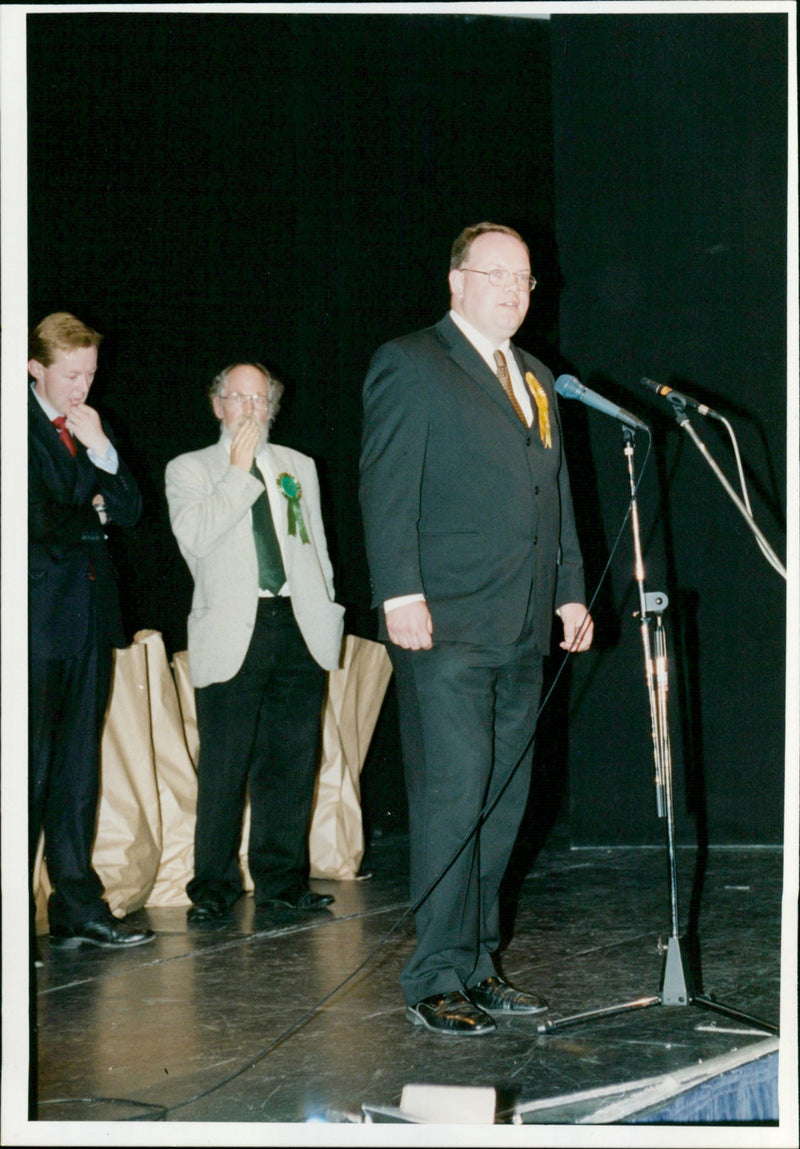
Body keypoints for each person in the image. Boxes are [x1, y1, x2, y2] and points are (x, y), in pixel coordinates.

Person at [359, 222, 594, 1035]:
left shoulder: (537, 376)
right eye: (496, 274)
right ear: (456, 280)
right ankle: (433, 974)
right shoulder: (412, 361)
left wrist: (569, 591)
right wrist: (399, 594)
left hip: (522, 622)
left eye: (524, 278)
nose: (513, 290)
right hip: (446, 624)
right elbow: (388, 486)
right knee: (453, 800)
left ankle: (478, 964)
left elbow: (553, 495)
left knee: (501, 802)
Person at [165, 362, 345, 924]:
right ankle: (213, 886)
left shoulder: (298, 466)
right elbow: (196, 538)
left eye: (260, 399)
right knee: (225, 765)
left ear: (273, 407)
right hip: (232, 630)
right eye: (238, 398)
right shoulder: (189, 468)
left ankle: (282, 883)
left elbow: (315, 544)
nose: (249, 409)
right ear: (217, 405)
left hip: (297, 624)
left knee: (290, 763)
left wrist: (326, 605)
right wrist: (239, 471)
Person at [29, 312, 153, 950]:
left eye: (90, 374)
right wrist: (92, 505)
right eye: (71, 375)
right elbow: (35, 516)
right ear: (35, 369)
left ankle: (76, 905)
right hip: (34, 624)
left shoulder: (90, 425)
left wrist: (102, 450)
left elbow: (129, 508)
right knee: (29, 769)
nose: (83, 387)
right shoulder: (20, 426)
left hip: (88, 620)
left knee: (78, 767)